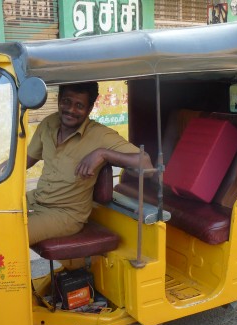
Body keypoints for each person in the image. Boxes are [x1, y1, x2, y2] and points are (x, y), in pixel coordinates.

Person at [26, 82, 152, 245]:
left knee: (8, 235)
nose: (71, 110)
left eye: (79, 105)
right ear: (59, 100)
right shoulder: (48, 124)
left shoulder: (100, 135)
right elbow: (23, 163)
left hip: (64, 214)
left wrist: (103, 153)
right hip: (35, 199)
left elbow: (146, 165)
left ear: (90, 108)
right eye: (66, 102)